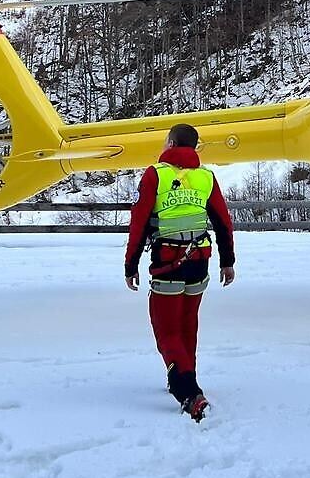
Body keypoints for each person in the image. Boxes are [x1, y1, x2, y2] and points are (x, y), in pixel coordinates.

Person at [126, 123, 236, 422]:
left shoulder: (155, 175)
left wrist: (130, 264)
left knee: (167, 330)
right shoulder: (205, 177)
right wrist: (228, 260)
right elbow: (223, 222)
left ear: (171, 143)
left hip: (168, 261)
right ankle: (187, 374)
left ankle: (188, 392)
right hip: (199, 261)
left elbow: (138, 225)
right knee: (188, 325)